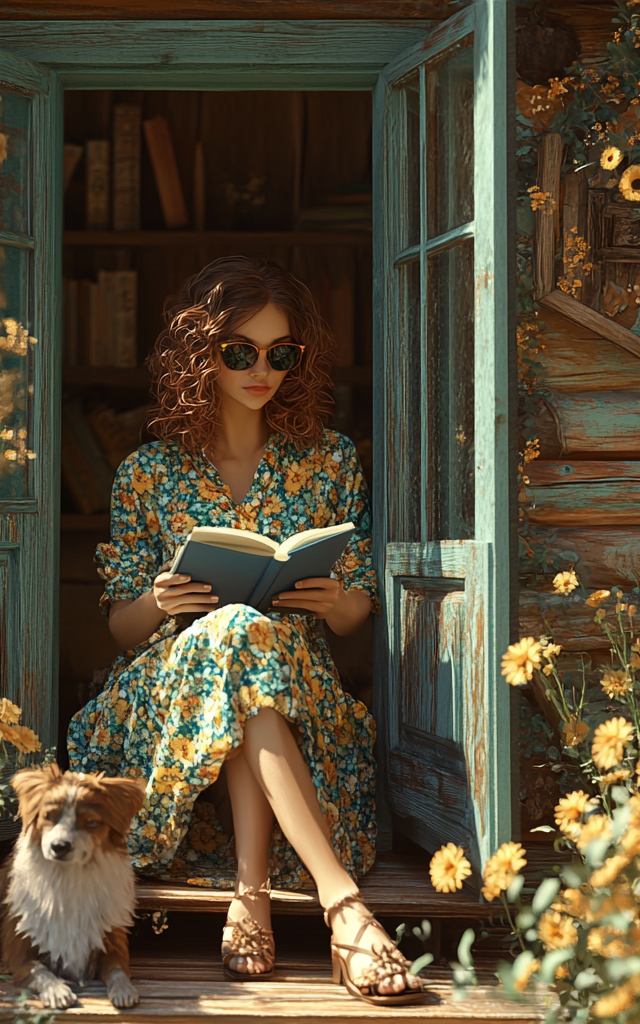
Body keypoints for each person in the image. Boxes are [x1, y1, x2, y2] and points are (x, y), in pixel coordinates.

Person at [67, 256, 423, 1005]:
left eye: (280, 354)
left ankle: (251, 893)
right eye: (240, 352)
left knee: (245, 649)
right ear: (201, 355)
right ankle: (345, 907)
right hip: (163, 702)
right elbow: (121, 626)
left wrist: (335, 602)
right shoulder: (147, 473)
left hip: (297, 699)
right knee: (232, 635)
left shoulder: (328, 459)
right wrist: (162, 602)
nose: (262, 369)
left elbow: (360, 610)